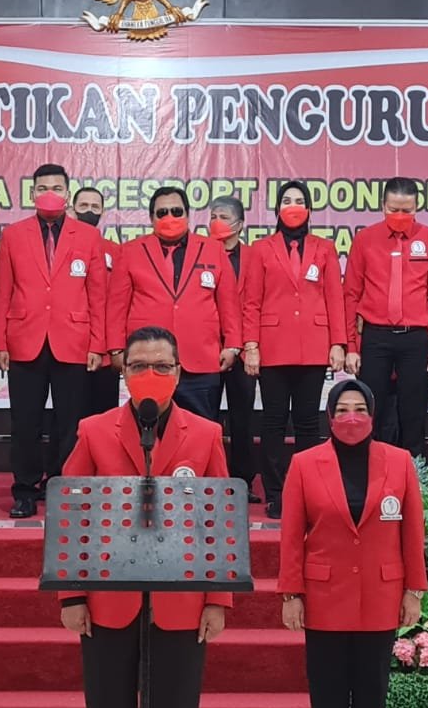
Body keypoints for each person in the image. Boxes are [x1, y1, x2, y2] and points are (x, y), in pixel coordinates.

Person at [59, 326, 231, 708]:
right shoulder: (94, 431)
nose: (150, 375)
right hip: (109, 600)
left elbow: (219, 523)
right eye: (138, 366)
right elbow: (73, 516)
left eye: (161, 365)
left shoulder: (205, 434)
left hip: (181, 603)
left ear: (179, 372)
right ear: (123, 372)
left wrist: (217, 600)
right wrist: (72, 595)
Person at [279, 378, 427, 708]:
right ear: (329, 416)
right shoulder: (305, 464)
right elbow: (291, 536)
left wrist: (413, 591)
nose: (351, 417)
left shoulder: (398, 462)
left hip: (380, 596)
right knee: (327, 701)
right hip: (324, 596)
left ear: (372, 414)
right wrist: (291, 593)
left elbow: (412, 531)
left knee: (371, 701)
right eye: (342, 409)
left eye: (359, 408)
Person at [0, 164, 108, 519]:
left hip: (73, 341)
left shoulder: (87, 236)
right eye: (42, 187)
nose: (49, 193)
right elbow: (2, 293)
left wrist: (98, 344)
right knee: (25, 423)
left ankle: (65, 487)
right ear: (31, 194)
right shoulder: (13, 235)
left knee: (70, 423)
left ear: (67, 194)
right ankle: (25, 491)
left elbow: (98, 296)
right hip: (24, 340)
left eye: (56, 188)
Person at [241, 181, 345, 518]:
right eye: (287, 201)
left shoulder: (324, 248)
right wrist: (251, 346)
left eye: (300, 201)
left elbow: (335, 298)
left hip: (314, 346)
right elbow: (251, 301)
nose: (293, 206)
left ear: (309, 209)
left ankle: (307, 491)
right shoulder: (261, 249)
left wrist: (338, 343)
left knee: (308, 423)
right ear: (277, 209)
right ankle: (275, 493)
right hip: (272, 346)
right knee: (273, 422)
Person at [108, 187, 241, 419]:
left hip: (200, 358)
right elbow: (116, 306)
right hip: (148, 360)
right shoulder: (130, 251)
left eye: (177, 211)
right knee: (148, 429)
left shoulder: (213, 249)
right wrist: (116, 349)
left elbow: (228, 302)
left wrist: (232, 346)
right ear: (151, 218)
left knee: (201, 429)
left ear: (188, 215)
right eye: (162, 213)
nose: (170, 217)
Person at [342, 178, 428, 458]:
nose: (400, 216)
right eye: (394, 210)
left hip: (415, 339)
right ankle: (369, 472)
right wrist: (351, 346)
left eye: (407, 210)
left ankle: (414, 476)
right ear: (382, 206)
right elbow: (351, 295)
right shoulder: (365, 239)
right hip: (375, 337)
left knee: (414, 416)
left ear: (417, 207)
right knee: (371, 412)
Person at [207, 196, 262, 502]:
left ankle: (242, 480)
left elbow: (256, 303)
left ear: (240, 224)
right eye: (213, 216)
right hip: (206, 348)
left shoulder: (254, 256)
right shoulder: (200, 252)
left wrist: (244, 345)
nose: (217, 221)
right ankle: (208, 479)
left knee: (242, 418)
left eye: (224, 217)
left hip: (242, 349)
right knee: (206, 418)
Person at [76, 187, 122, 414]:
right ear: (72, 208)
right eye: (83, 206)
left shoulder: (115, 251)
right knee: (71, 418)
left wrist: (115, 347)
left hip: (105, 350)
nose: (89, 211)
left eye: (95, 207)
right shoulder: (60, 249)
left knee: (105, 416)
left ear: (103, 211)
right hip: (70, 348)